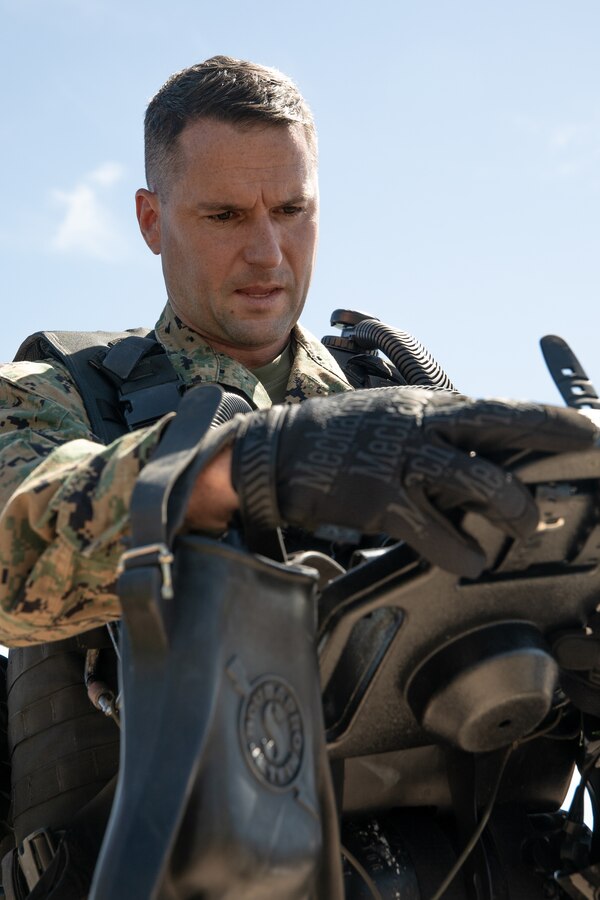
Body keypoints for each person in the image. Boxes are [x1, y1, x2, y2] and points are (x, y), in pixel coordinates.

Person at [0, 56, 597, 898]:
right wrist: (242, 470)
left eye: (292, 210)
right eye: (224, 214)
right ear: (149, 217)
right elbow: (11, 547)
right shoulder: (61, 393)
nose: (267, 251)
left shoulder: (405, 406)